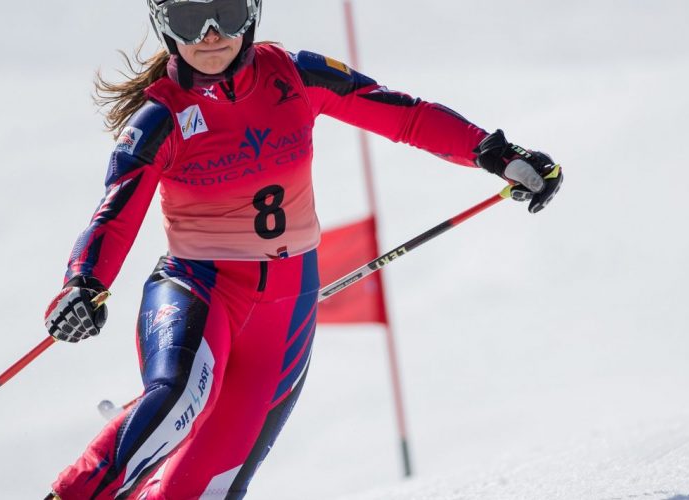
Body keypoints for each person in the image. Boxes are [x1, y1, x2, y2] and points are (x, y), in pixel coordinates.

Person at [41, 0, 560, 498]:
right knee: (177, 400)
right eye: (190, 17)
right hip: (200, 289)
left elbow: (407, 117)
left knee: (205, 489)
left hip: (287, 312)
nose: (210, 35)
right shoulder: (161, 118)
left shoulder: (294, 76)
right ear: (164, 26)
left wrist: (496, 154)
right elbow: (115, 212)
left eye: (226, 13)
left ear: (253, 13)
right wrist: (85, 283)